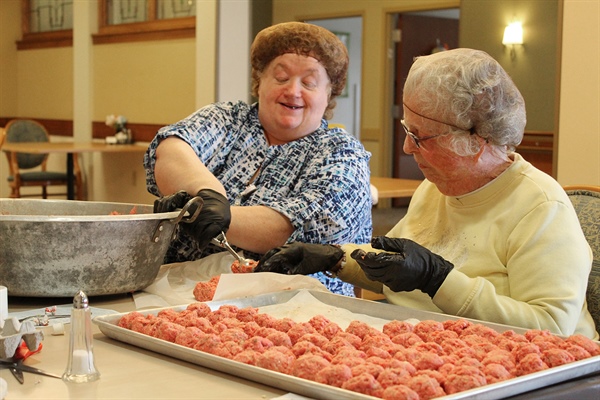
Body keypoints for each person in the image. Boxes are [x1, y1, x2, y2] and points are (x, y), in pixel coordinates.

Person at [255, 48, 598, 339]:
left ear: (476, 142)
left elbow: (551, 329)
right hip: (424, 340)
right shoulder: (437, 187)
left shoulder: (540, 207)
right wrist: (333, 257)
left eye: (420, 137)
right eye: (408, 130)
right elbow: (398, 268)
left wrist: (439, 279)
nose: (406, 147)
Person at [144, 22, 373, 297]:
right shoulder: (229, 119)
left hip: (296, 306)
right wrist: (209, 196)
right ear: (259, 82)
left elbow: (306, 225)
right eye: (281, 77)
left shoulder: (342, 152)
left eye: (309, 83)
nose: (293, 91)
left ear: (329, 93)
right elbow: (172, 148)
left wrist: (221, 216)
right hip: (177, 292)